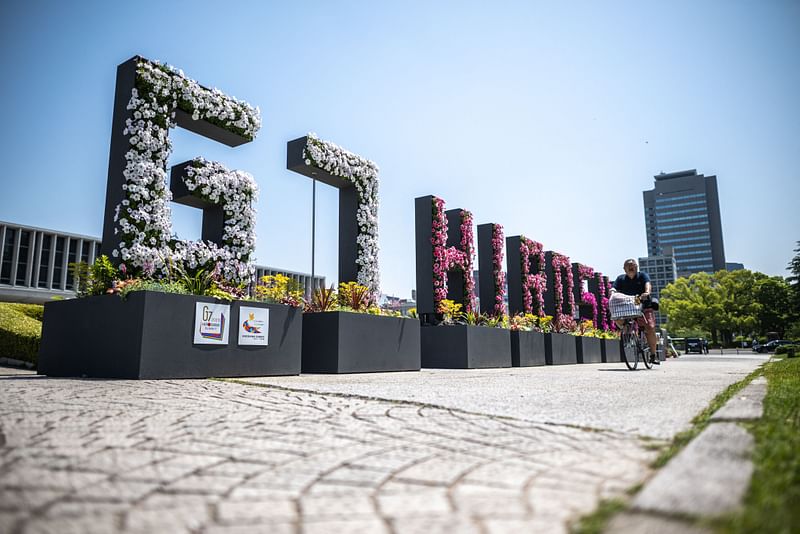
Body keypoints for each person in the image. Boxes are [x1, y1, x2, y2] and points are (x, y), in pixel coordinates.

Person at [609, 259, 659, 364]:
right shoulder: (620, 278)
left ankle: (653, 354)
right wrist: (612, 292)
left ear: (636, 267)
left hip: (643, 305)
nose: (631, 267)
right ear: (624, 269)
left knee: (650, 327)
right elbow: (614, 288)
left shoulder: (642, 276)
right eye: (628, 265)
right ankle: (627, 334)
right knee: (617, 318)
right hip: (628, 307)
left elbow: (648, 284)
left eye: (633, 265)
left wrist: (647, 292)